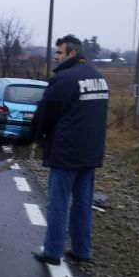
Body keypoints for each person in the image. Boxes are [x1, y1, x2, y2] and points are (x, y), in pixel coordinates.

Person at [30, 34, 109, 265]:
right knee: (83, 204)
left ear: (72, 54)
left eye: (59, 53)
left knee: (58, 203)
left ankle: (53, 252)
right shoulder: (98, 77)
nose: (56, 58)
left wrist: (34, 136)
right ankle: (81, 251)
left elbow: (46, 113)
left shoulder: (64, 79)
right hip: (91, 152)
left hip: (66, 152)